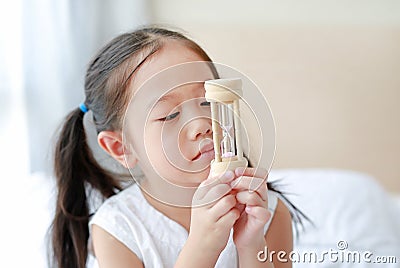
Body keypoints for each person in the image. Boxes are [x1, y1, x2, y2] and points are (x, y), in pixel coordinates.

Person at [50, 26, 294, 268]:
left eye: (208, 101)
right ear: (122, 147)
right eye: (170, 115)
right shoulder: (118, 229)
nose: (201, 123)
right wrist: (202, 248)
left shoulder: (268, 212)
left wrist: (251, 246)